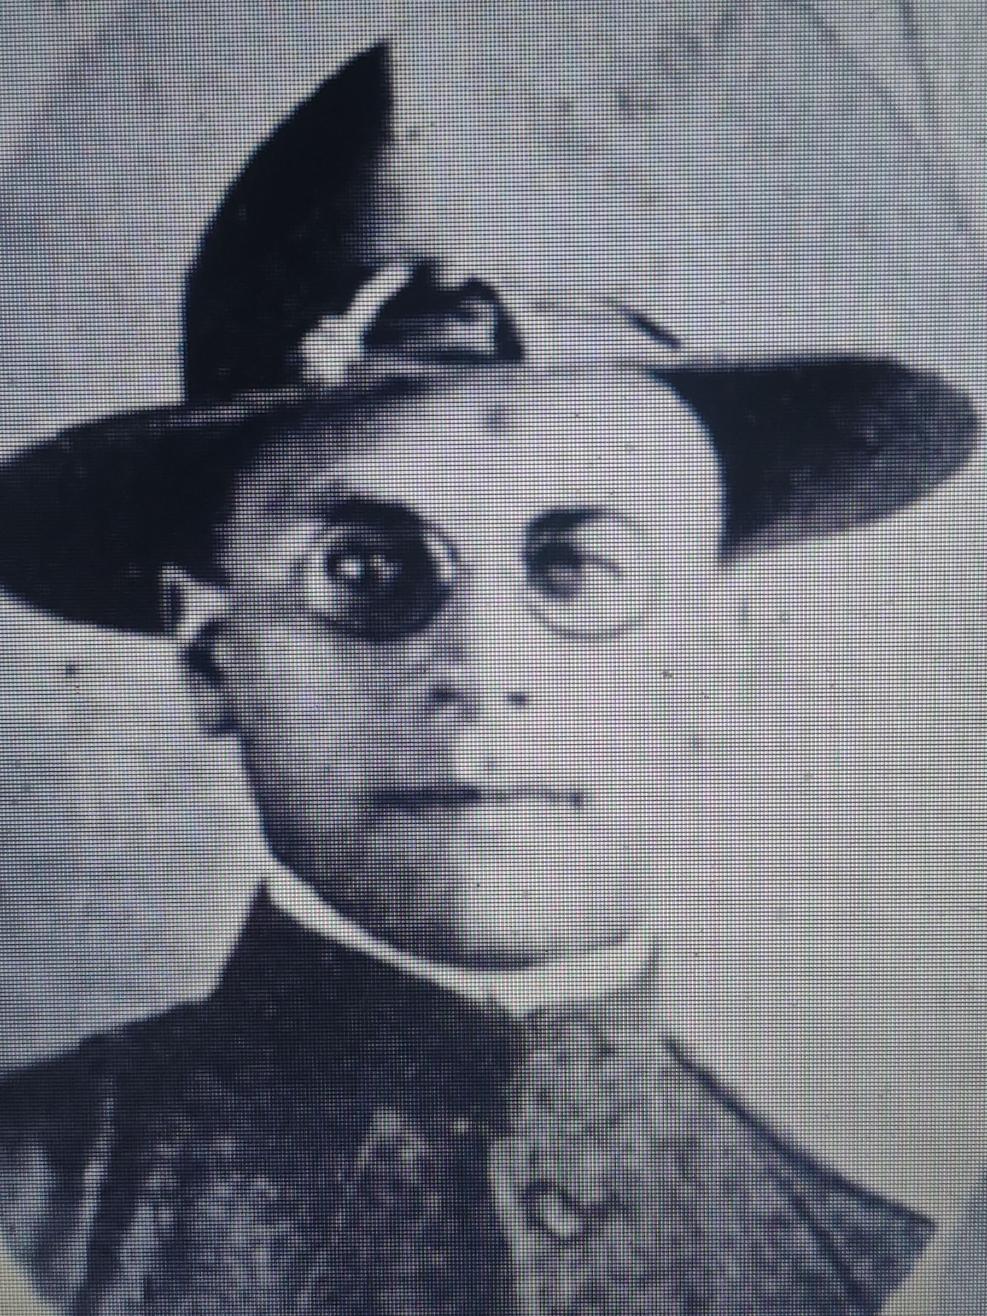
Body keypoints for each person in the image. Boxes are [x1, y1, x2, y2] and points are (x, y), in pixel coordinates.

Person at [0, 42, 977, 1316]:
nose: (480, 669)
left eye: (578, 570)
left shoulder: (860, 1268)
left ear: (715, 659)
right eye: (364, 571)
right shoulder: (38, 1209)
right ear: (211, 652)